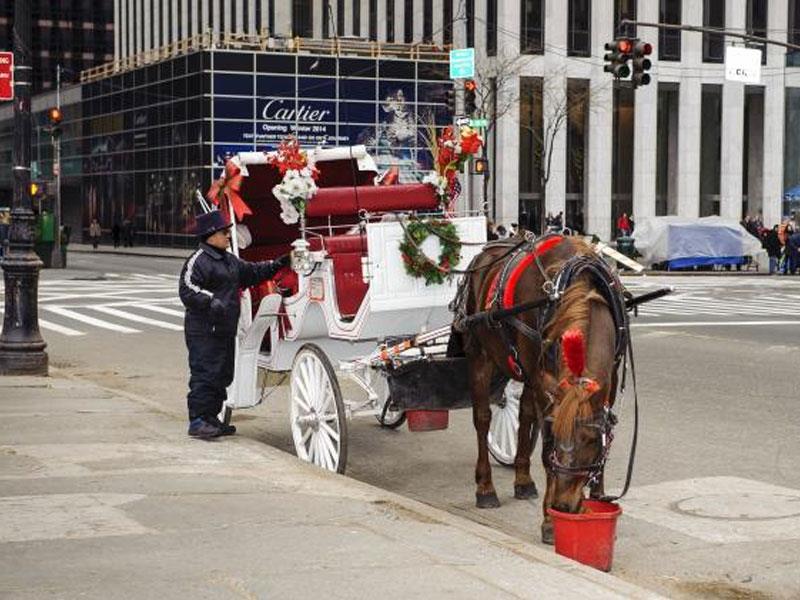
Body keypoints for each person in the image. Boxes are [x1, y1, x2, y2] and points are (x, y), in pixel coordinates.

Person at [180, 210, 289, 439]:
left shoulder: (228, 260)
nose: (229, 236)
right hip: (203, 330)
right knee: (205, 374)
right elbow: (187, 289)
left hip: (224, 328)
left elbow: (252, 273)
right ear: (210, 235)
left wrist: (277, 264)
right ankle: (198, 421)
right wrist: (211, 302)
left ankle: (211, 418)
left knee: (222, 374)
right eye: (224, 232)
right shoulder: (198, 260)